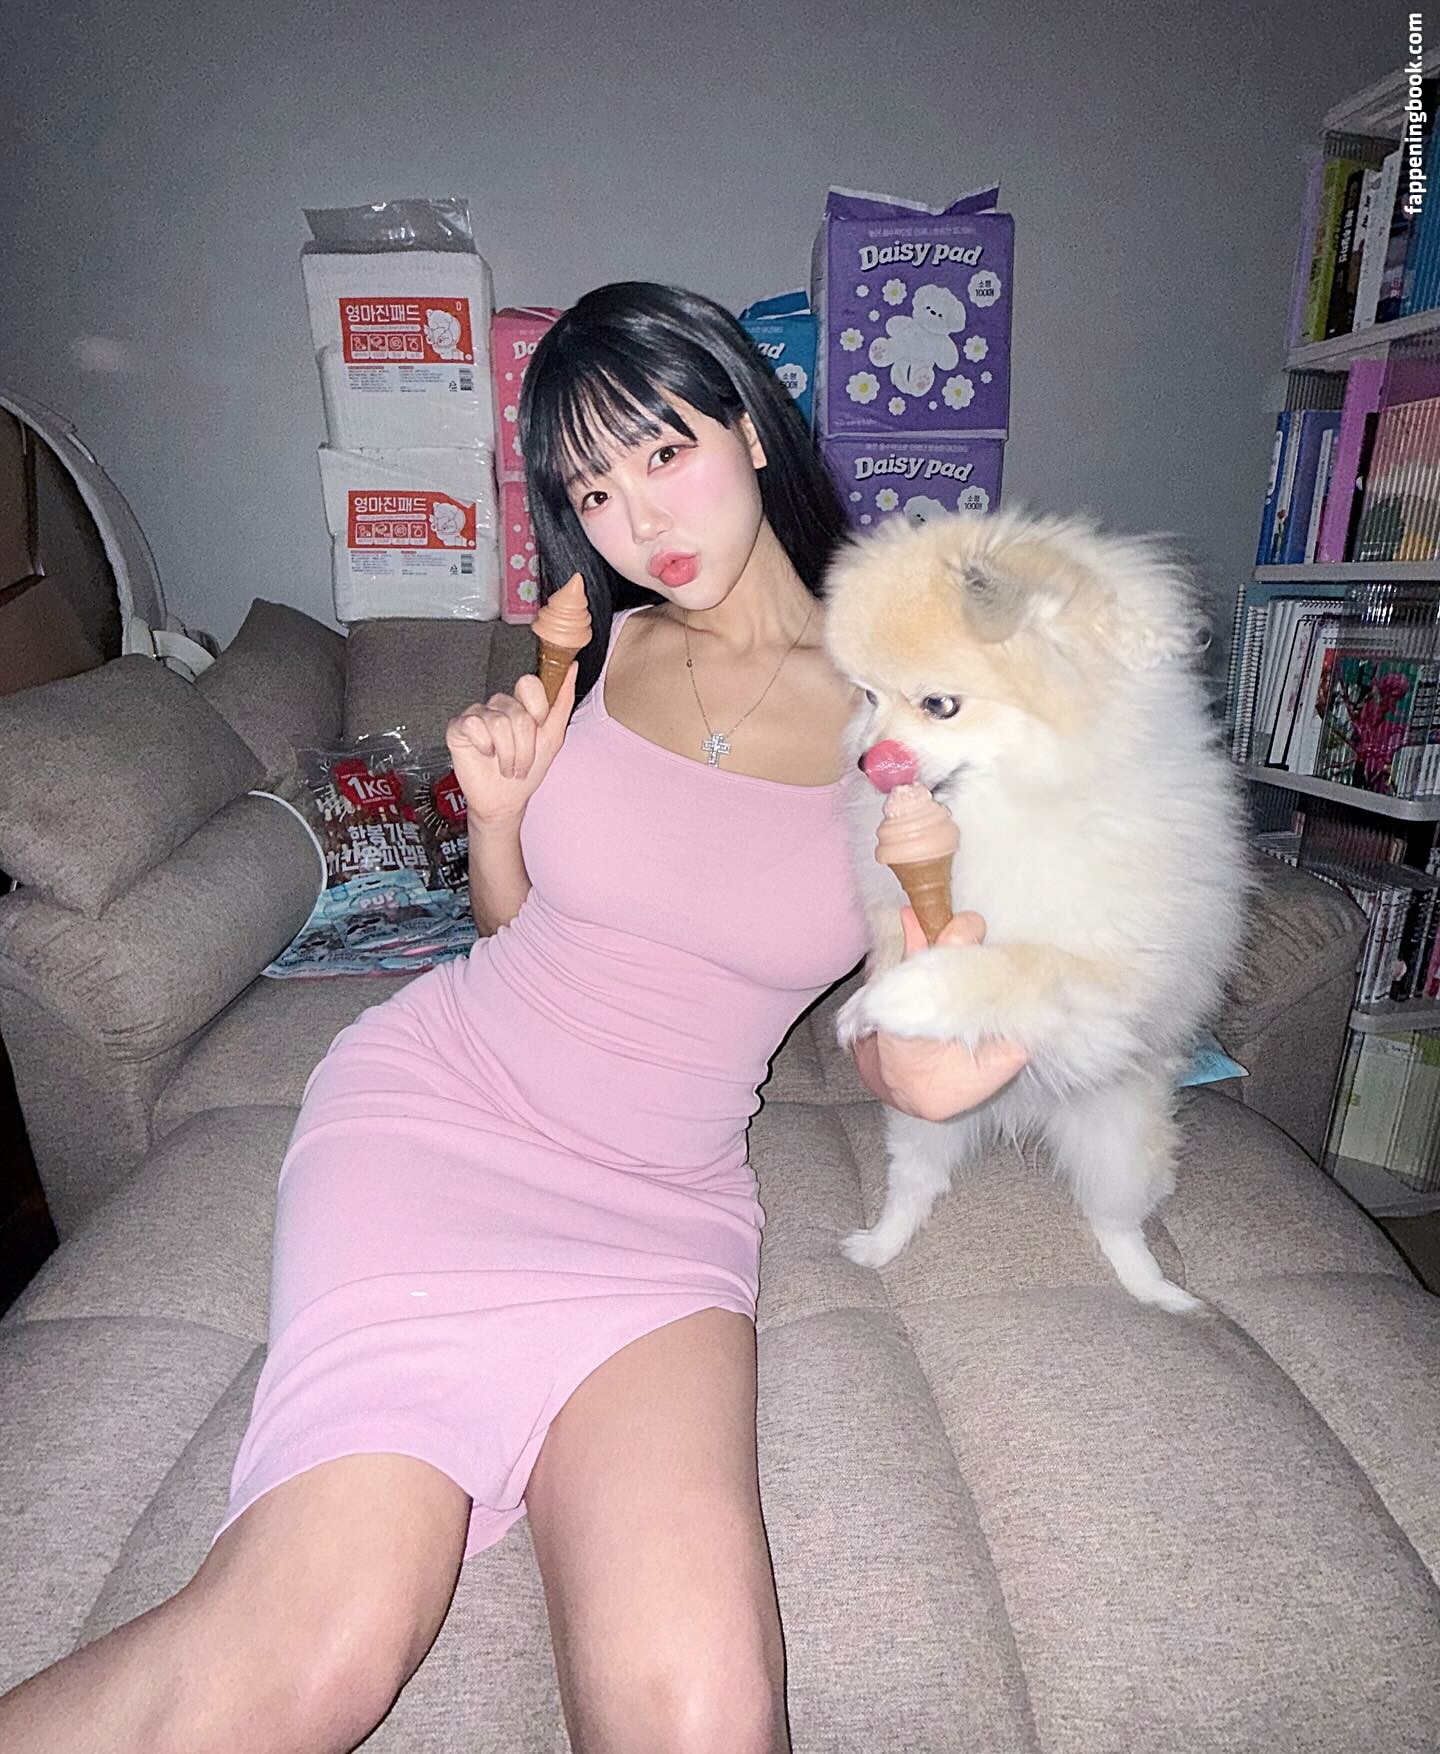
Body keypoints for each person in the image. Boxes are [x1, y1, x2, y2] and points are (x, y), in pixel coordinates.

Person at [0, 282, 1027, 1754]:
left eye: (662, 453)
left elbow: (897, 1004)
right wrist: (496, 816)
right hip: (438, 1114)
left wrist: (930, 1050)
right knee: (317, 1647)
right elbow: (519, 930)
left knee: (705, 1708)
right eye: (593, 490)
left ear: (749, 426)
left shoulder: (914, 724)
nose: (637, 522)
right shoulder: (610, 648)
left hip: (660, 1204)